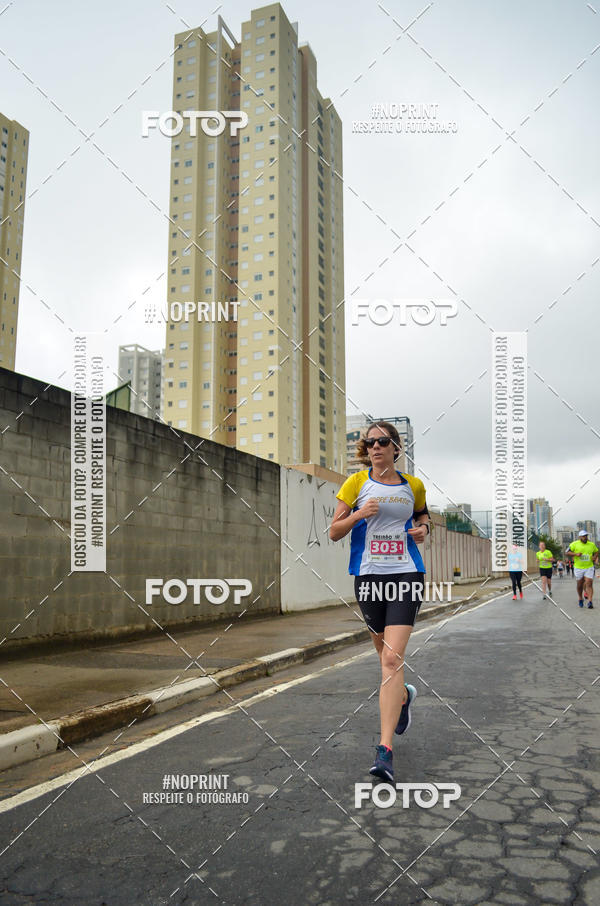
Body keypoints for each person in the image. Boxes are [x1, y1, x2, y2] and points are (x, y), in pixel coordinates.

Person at [329, 421, 429, 783]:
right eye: (369, 442)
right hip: (369, 577)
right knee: (383, 654)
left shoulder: (412, 486)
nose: (374, 447)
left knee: (391, 657)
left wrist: (423, 529)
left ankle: (384, 750)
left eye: (382, 441)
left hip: (406, 574)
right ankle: (403, 696)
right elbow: (334, 531)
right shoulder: (355, 484)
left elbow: (422, 515)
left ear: (395, 447)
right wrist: (358, 514)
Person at [567, 530, 599, 609]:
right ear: (580, 537)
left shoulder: (591, 544)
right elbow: (566, 552)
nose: (585, 537)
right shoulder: (574, 544)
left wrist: (595, 557)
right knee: (580, 585)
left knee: (589, 583)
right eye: (584, 536)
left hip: (589, 567)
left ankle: (590, 602)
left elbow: (597, 551)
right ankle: (580, 598)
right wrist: (575, 554)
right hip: (578, 568)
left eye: (586, 536)